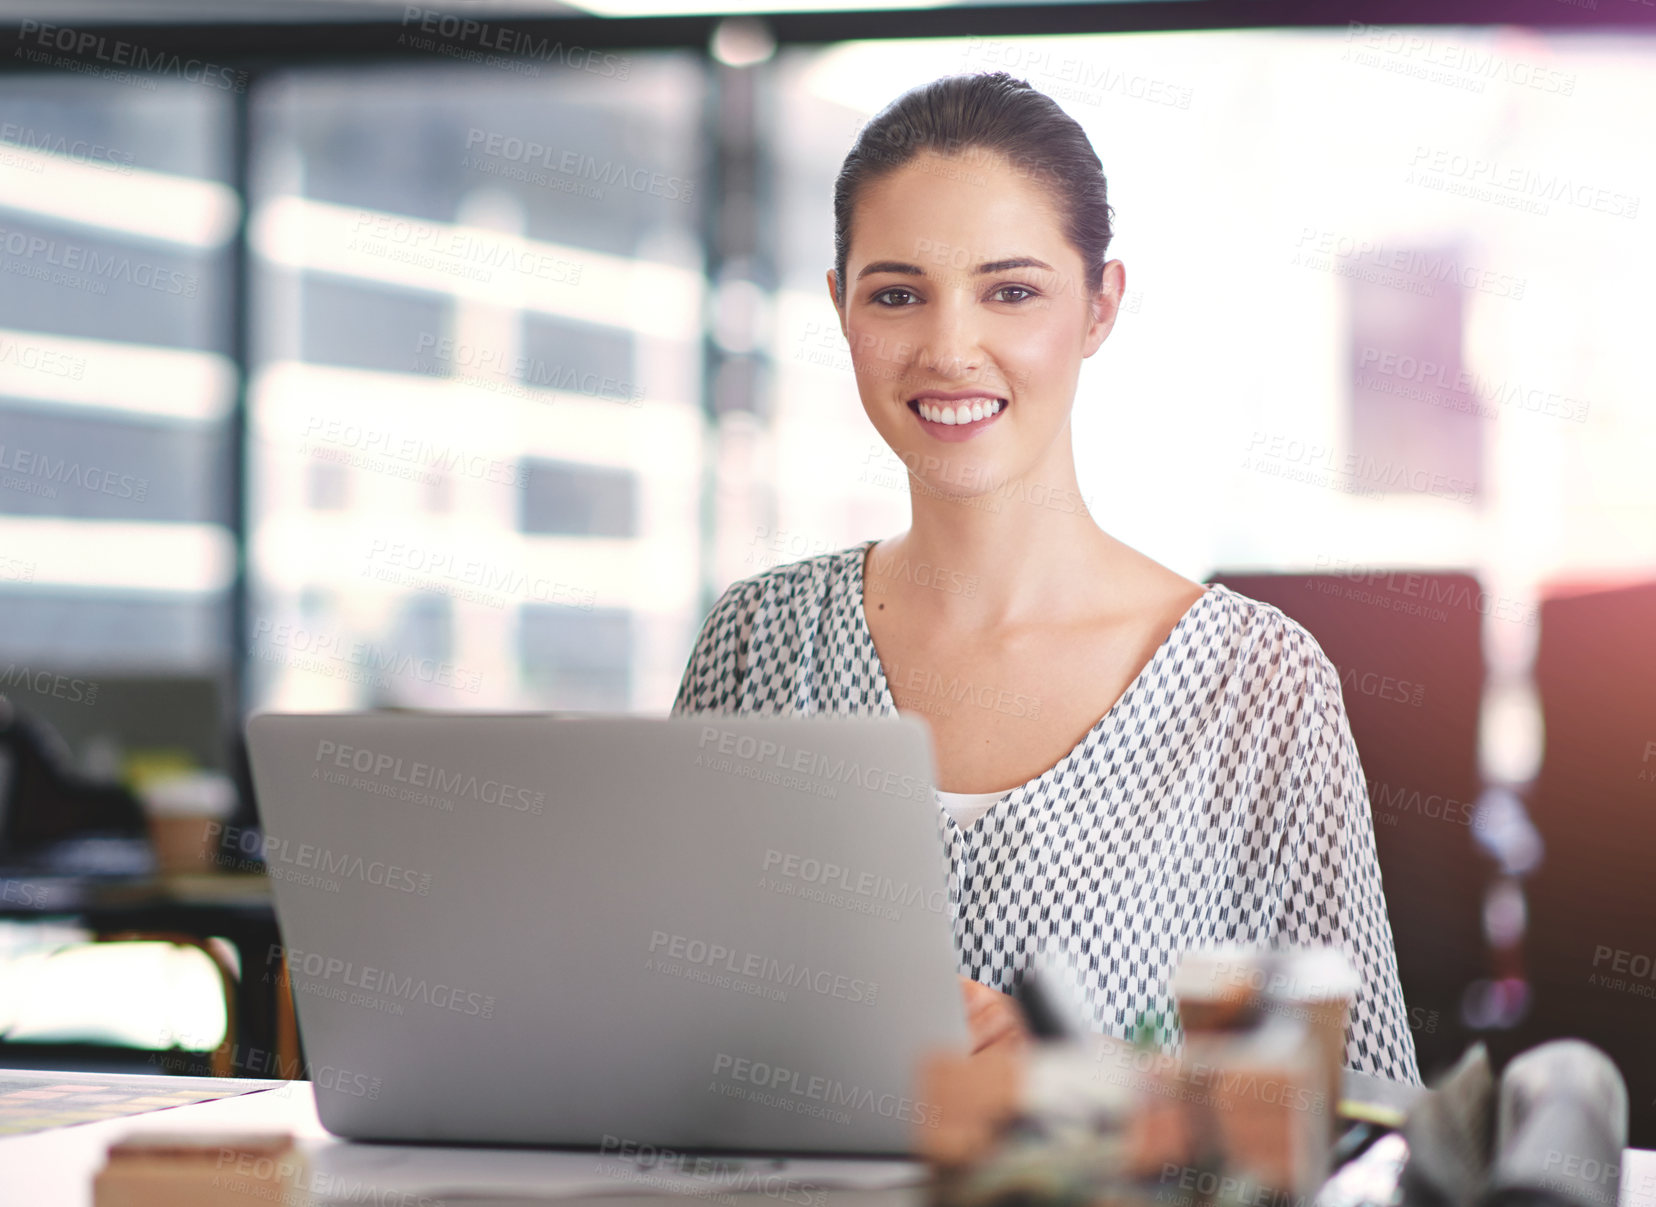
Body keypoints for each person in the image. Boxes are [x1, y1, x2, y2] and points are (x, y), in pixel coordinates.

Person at [670, 70, 1421, 1086]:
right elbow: (666, 1034)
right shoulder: (760, 641)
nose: (948, 348)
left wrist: (1081, 1077)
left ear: (1099, 306)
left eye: (1011, 291)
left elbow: (1367, 1115)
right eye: (898, 294)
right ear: (841, 307)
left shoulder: (1260, 682)